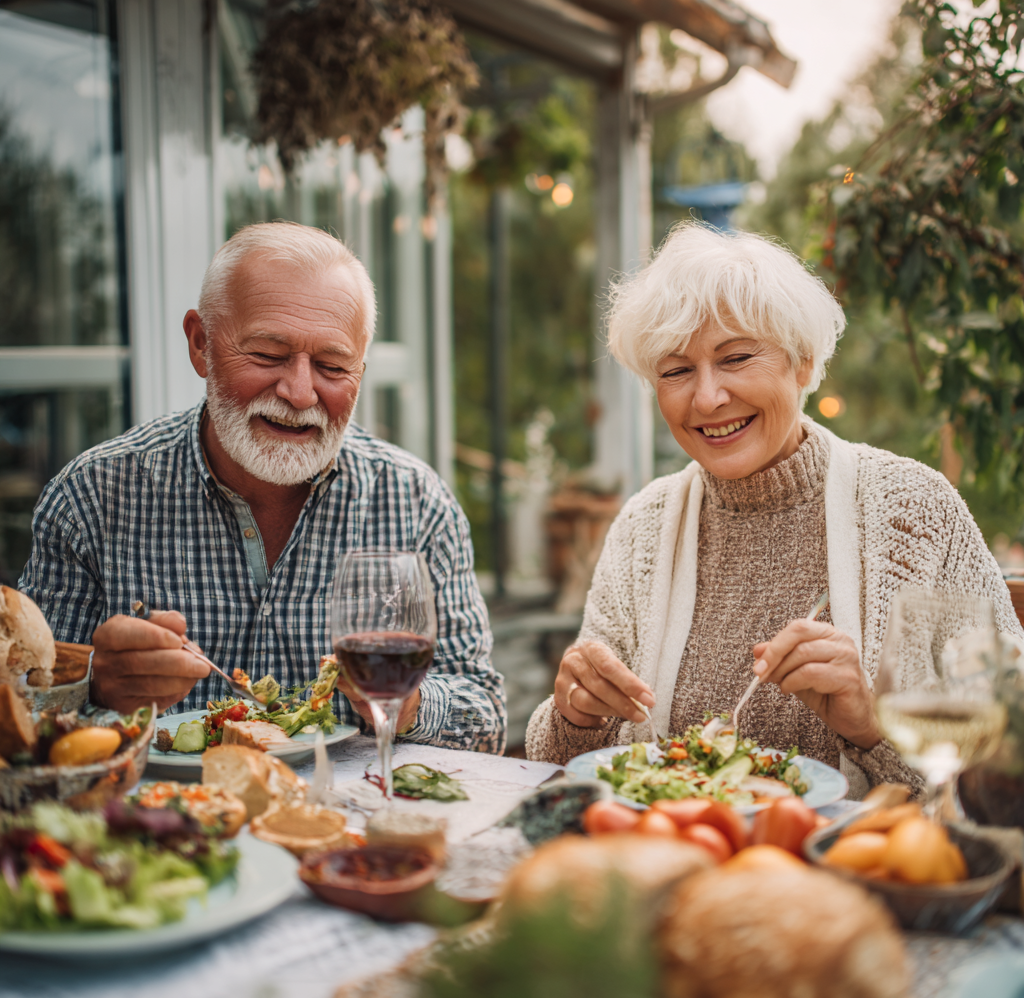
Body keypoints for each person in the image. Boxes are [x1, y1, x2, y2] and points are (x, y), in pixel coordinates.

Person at [525, 223, 1021, 794]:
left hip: (863, 868)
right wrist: (574, 713)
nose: (707, 397)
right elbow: (560, 757)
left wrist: (870, 727)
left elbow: (1010, 755)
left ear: (803, 363)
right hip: (680, 862)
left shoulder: (916, 507)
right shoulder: (644, 524)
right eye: (677, 371)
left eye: (735, 358)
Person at [20, 222, 506, 753]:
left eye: (332, 365)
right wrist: (95, 688)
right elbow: (20, 713)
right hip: (169, 825)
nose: (300, 393)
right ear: (201, 344)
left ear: (361, 371)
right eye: (268, 355)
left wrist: (408, 704)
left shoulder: (415, 502)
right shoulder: (92, 498)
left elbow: (485, 719)